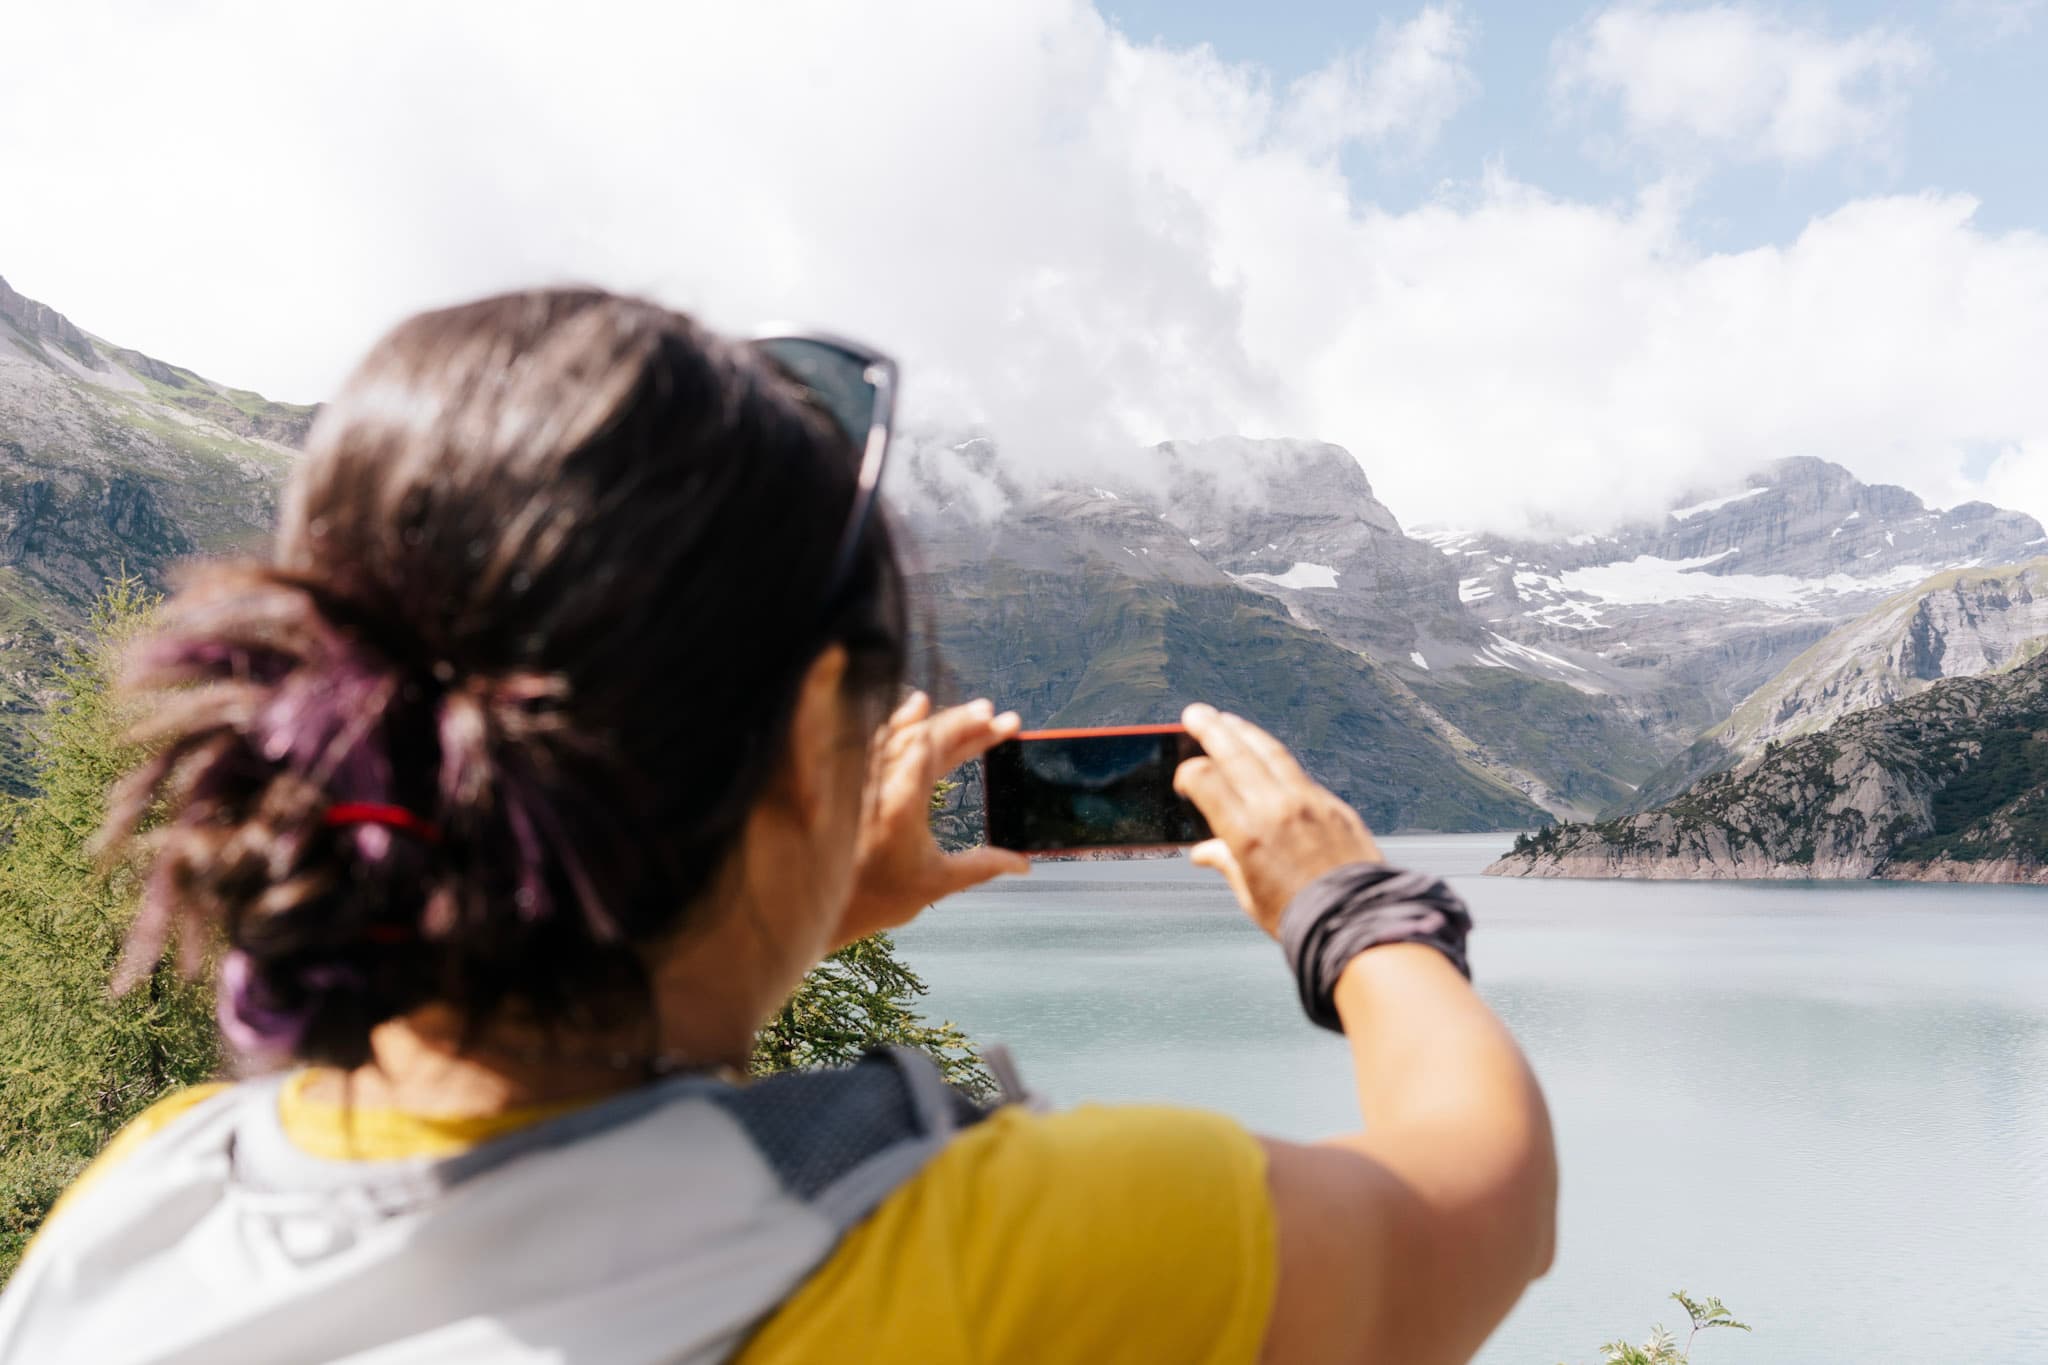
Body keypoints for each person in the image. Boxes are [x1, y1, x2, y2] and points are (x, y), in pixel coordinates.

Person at [0, 289, 1554, 1364]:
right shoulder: (998, 1252)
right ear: (820, 731)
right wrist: (1346, 903)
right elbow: (1485, 1193)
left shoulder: (141, 1209)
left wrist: (783, 894)